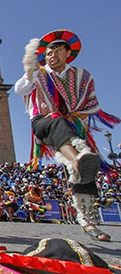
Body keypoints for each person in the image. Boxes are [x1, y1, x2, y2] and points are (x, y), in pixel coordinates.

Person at [15, 29, 119, 241]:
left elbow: (89, 100)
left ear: (67, 53)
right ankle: (76, 159)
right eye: (49, 53)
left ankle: (89, 223)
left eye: (57, 51)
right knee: (59, 124)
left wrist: (75, 112)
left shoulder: (81, 76)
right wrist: (29, 71)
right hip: (43, 122)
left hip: (73, 128)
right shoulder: (39, 73)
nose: (52, 55)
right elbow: (20, 89)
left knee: (85, 174)